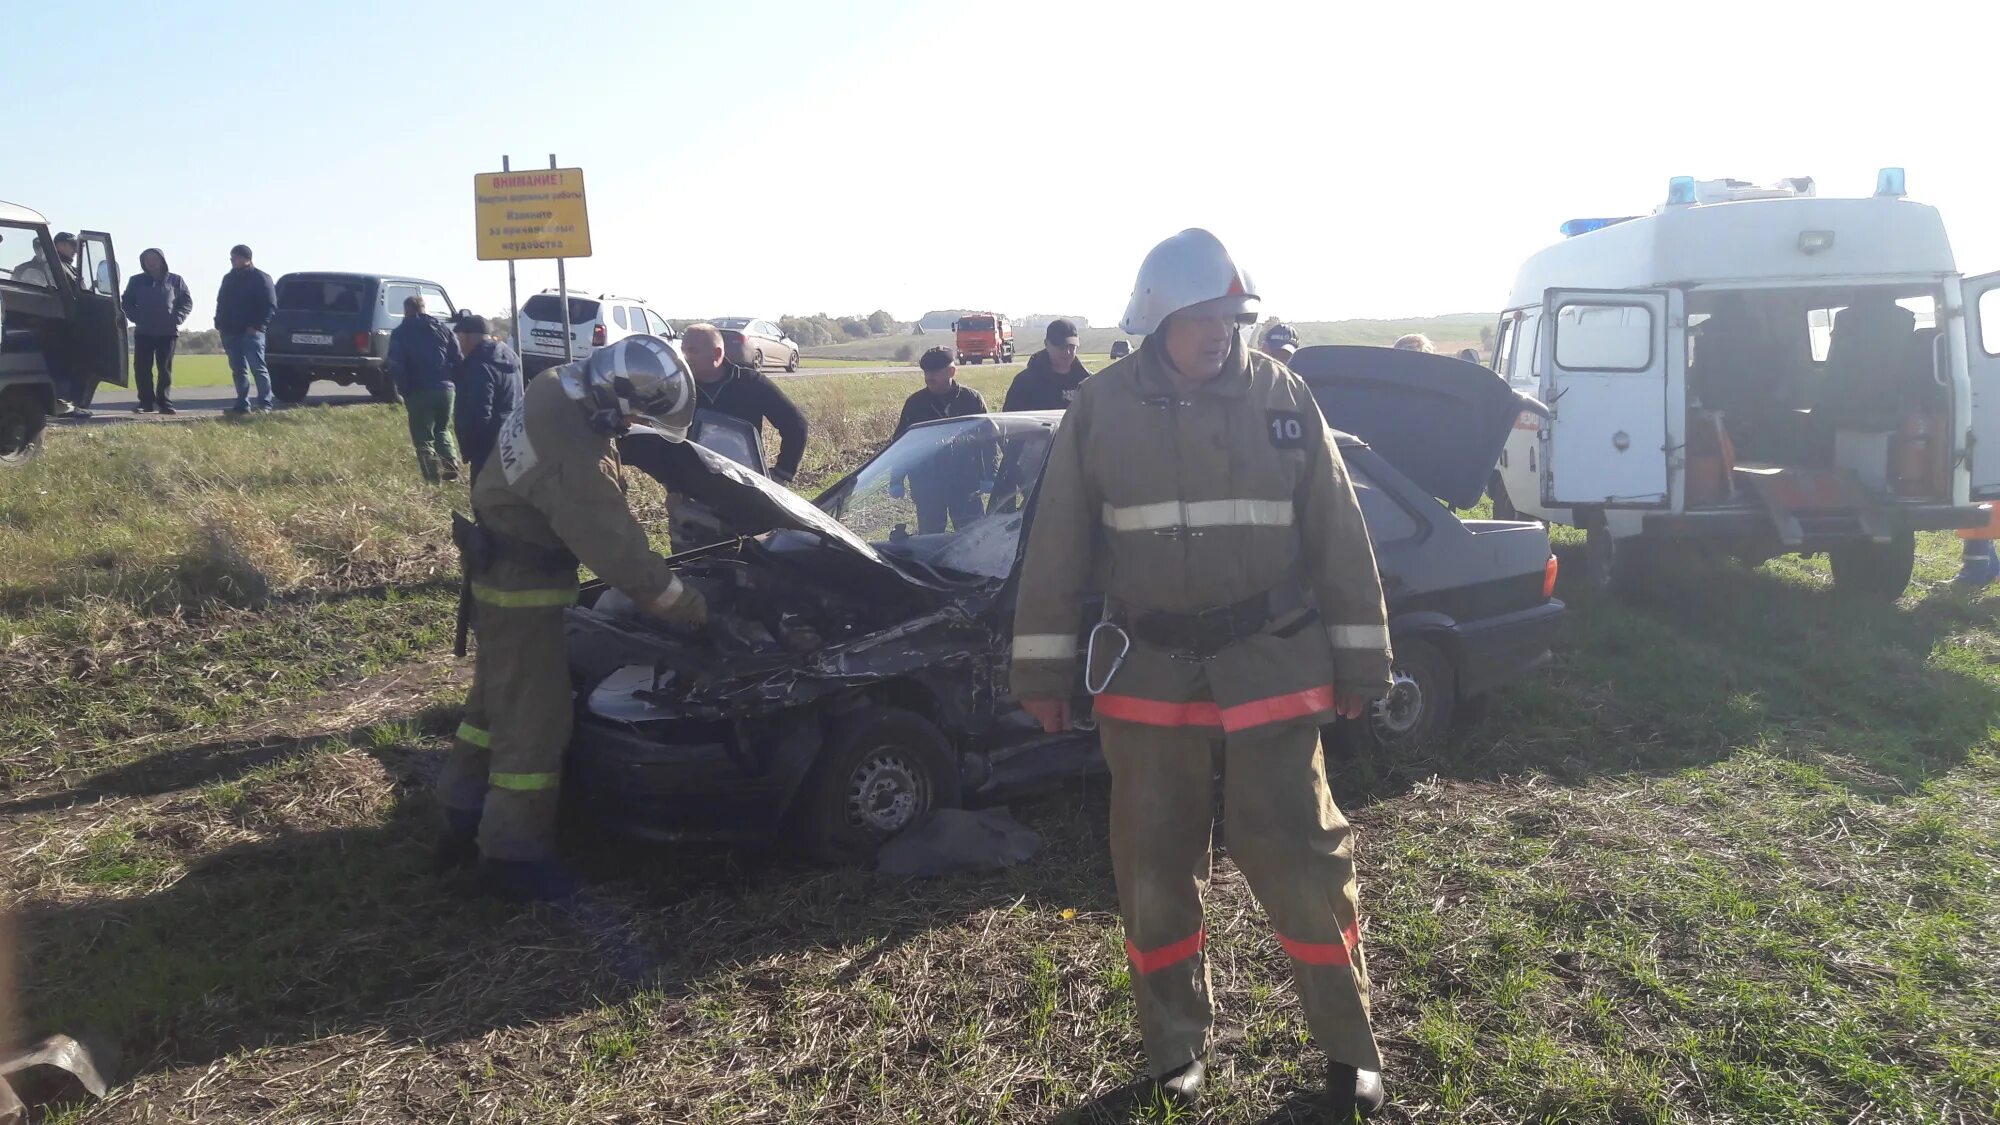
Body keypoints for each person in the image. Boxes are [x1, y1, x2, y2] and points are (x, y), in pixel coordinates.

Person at [1010, 229, 1393, 1116]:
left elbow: (1339, 532)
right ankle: (1174, 1048)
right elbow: (1059, 545)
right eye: (1204, 317)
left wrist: (1364, 658)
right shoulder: (1099, 407)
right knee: (1153, 864)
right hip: (1146, 670)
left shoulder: (1281, 393)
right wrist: (1043, 669)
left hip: (1270, 665)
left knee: (1303, 858)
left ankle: (1351, 1052)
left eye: (1233, 315)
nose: (1222, 331)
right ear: (1159, 319)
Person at [437, 336, 709, 901]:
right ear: (613, 398)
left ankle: (459, 812)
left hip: (498, 572)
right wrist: (692, 608)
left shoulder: (556, 385)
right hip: (524, 592)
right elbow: (619, 556)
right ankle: (513, 859)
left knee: (493, 702)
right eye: (633, 416)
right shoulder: (572, 454)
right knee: (534, 726)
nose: (631, 427)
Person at [680, 323, 809, 483]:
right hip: (695, 485)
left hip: (747, 484)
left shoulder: (752, 383)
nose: (685, 357)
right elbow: (660, 432)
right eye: (683, 350)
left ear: (717, 354)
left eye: (693, 351)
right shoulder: (678, 389)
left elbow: (796, 424)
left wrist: (782, 474)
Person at [891, 346, 991, 533]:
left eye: (935, 372)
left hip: (965, 483)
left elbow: (988, 439)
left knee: (973, 537)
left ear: (951, 371)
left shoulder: (971, 400)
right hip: (927, 485)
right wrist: (896, 479)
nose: (929, 377)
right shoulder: (915, 404)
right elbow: (901, 444)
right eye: (926, 372)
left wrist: (989, 475)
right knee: (930, 537)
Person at [388, 295, 463, 483]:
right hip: (446, 390)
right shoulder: (444, 329)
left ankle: (432, 479)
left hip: (418, 390)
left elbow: (396, 365)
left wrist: (403, 390)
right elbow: (458, 358)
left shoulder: (400, 333)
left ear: (406, 310)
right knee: (442, 429)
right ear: (424, 308)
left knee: (423, 437)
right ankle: (450, 461)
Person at [451, 314, 524, 481]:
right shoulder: (508, 354)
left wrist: (472, 448)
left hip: (487, 446)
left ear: (469, 337)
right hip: (513, 438)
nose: (459, 344)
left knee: (483, 498)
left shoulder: (479, 365)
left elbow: (478, 411)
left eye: (459, 338)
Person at [121, 248, 193, 414]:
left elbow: (187, 302)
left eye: (154, 258)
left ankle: (164, 402)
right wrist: (135, 317)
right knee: (142, 368)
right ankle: (145, 402)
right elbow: (126, 303)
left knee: (164, 369)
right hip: (144, 331)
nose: (151, 262)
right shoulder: (136, 281)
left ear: (161, 260)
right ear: (143, 262)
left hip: (167, 332)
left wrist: (178, 318)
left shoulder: (176, 280)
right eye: (147, 259)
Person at [215, 244, 277, 414]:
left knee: (258, 368)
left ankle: (265, 404)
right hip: (230, 331)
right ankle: (242, 404)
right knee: (238, 369)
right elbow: (221, 302)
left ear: (245, 258)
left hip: (252, 332)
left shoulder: (261, 278)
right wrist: (218, 323)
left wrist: (257, 326)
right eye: (231, 257)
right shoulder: (229, 278)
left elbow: (270, 306)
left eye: (234, 257)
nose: (232, 260)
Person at [1002, 319, 1091, 411]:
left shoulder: (1087, 381)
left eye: (1072, 347)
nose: (1067, 352)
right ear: (1046, 344)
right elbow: (1010, 419)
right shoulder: (1025, 382)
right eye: (1062, 347)